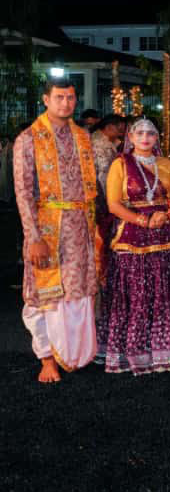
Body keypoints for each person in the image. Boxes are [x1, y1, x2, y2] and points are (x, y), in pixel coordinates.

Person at [97, 118, 170, 374]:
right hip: (131, 232)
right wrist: (143, 221)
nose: (145, 137)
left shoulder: (165, 164)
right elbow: (113, 205)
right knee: (135, 293)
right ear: (130, 137)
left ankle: (168, 351)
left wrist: (168, 214)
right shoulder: (120, 164)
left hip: (165, 233)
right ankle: (133, 353)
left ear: (157, 137)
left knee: (167, 291)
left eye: (151, 133)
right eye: (139, 133)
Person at [13, 78, 102, 382]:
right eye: (60, 97)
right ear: (46, 100)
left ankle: (77, 352)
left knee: (78, 292)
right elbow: (23, 193)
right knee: (44, 295)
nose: (67, 103)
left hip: (80, 229)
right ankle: (47, 358)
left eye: (71, 97)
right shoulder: (29, 138)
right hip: (47, 229)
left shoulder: (82, 136)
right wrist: (33, 238)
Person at [90, 114, 127, 194]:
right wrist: (110, 196)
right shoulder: (98, 144)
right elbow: (103, 174)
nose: (122, 134)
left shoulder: (111, 141)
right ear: (109, 127)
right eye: (120, 130)